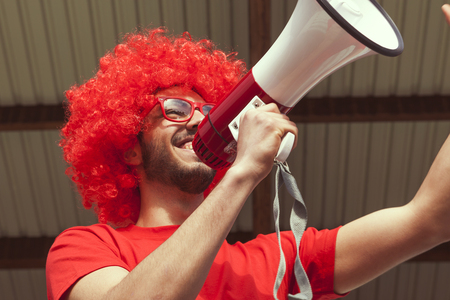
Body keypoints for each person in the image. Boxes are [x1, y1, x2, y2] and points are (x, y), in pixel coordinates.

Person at [46, 8, 450, 300]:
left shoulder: (281, 258)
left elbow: (431, 218)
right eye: (175, 109)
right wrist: (242, 173)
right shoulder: (84, 247)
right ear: (129, 148)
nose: (198, 121)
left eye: (208, 111)